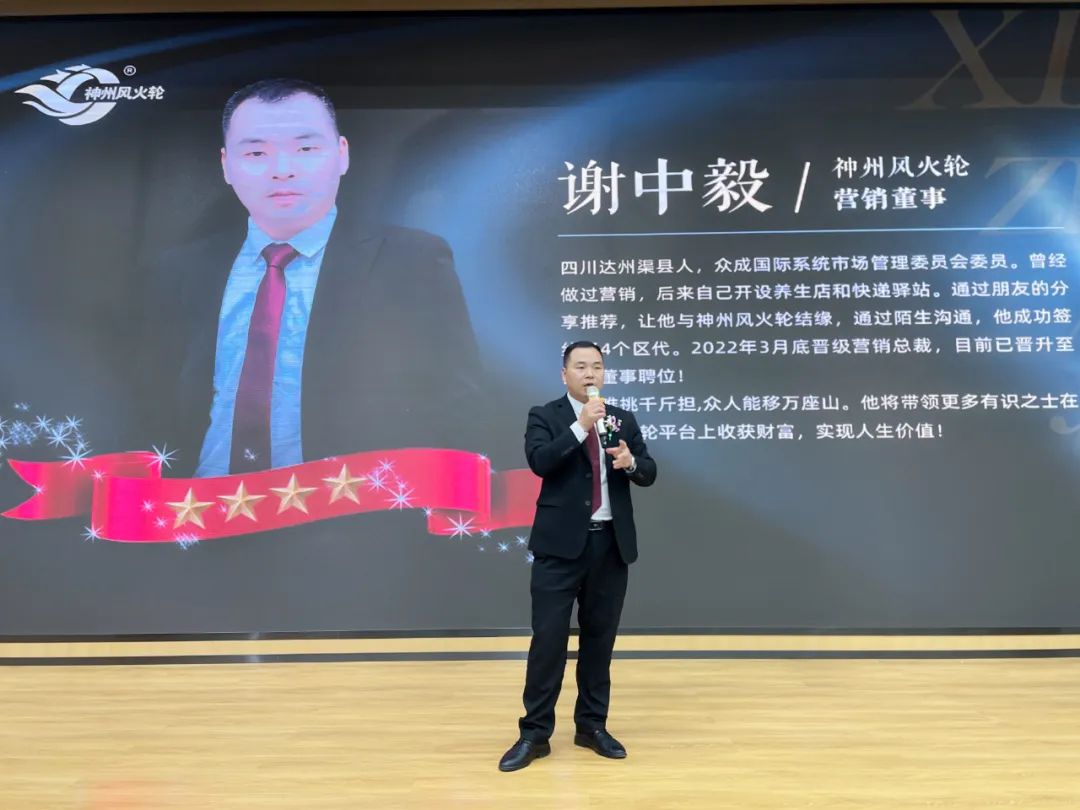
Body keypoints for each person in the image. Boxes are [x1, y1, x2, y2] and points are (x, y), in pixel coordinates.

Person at [140, 78, 481, 477]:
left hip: (351, 505)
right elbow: (148, 404)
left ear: (342, 155)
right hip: (199, 504)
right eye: (256, 152)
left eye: (305, 149)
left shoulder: (411, 258)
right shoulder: (179, 270)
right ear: (226, 165)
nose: (282, 171)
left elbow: (456, 406)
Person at [498, 340, 657, 772]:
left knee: (599, 639)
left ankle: (591, 726)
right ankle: (534, 734)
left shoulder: (621, 418)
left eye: (597, 367)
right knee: (548, 640)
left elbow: (648, 472)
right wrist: (580, 425)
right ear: (564, 374)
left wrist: (630, 462)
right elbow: (540, 461)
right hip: (559, 547)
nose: (590, 374)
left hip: (610, 544)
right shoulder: (545, 415)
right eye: (581, 366)